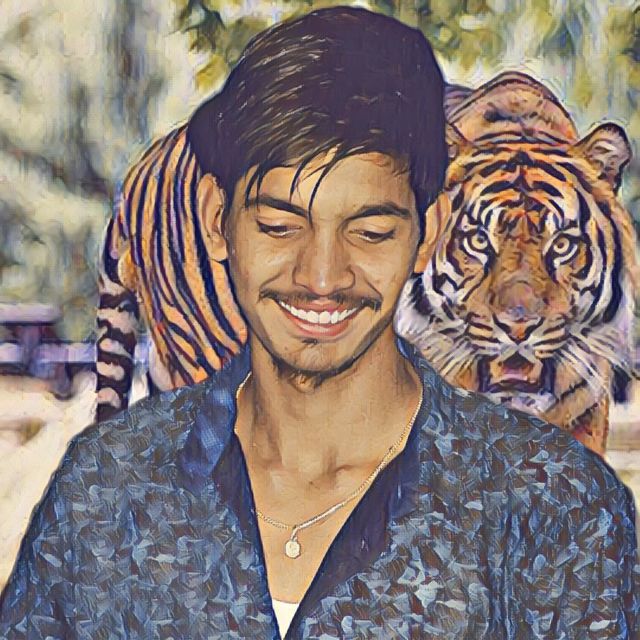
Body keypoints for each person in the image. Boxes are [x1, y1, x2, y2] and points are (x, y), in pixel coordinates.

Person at [1, 7, 638, 639]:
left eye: (370, 228)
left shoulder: (577, 508)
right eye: (279, 224)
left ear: (428, 233)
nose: (322, 276)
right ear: (218, 224)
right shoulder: (100, 487)